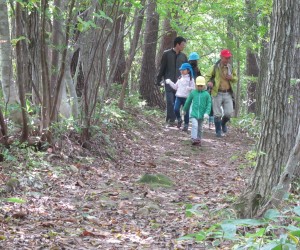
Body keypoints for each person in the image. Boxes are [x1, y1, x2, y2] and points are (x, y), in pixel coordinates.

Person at [205, 49, 238, 137]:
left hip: (228, 93)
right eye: (226, 58)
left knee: (228, 113)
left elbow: (236, 78)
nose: (228, 60)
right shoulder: (214, 67)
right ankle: (218, 131)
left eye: (229, 58)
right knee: (217, 114)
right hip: (217, 93)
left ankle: (223, 123)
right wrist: (209, 82)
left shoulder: (230, 67)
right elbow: (206, 77)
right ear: (221, 57)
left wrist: (231, 78)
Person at [156, 36, 188, 126]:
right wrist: (158, 79)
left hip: (180, 84)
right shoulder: (166, 54)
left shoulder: (184, 56)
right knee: (170, 101)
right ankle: (172, 120)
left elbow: (187, 70)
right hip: (168, 82)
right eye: (182, 44)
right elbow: (162, 67)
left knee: (177, 102)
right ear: (177, 44)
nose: (183, 46)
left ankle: (174, 118)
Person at [165, 63, 195, 131]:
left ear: (188, 70)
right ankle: (179, 119)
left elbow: (194, 89)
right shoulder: (180, 78)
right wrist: (170, 82)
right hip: (178, 97)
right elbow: (175, 87)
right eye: (181, 70)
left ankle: (186, 125)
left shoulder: (191, 79)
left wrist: (189, 88)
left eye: (183, 70)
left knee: (186, 112)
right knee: (176, 109)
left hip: (187, 98)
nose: (181, 71)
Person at [183, 76, 211, 146]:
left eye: (201, 86)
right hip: (194, 114)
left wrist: (207, 113)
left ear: (204, 86)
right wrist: (184, 109)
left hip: (202, 115)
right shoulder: (193, 93)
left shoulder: (206, 94)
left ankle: (199, 139)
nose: (200, 87)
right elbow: (188, 101)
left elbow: (209, 104)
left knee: (200, 128)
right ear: (196, 85)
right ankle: (193, 138)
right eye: (198, 85)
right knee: (195, 125)